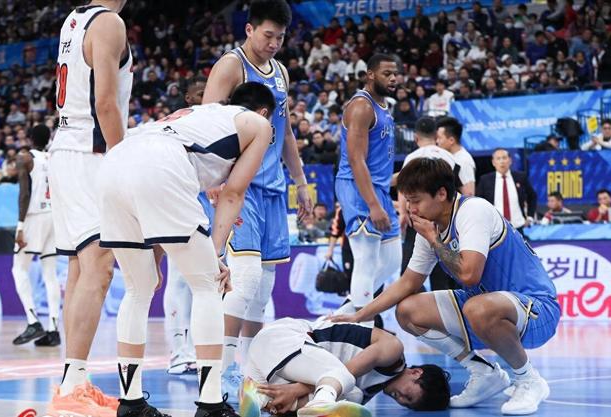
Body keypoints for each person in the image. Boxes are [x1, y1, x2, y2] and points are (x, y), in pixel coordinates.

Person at [97, 83, 276, 417]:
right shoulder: (259, 125)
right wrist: (216, 253)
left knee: (138, 289)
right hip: (162, 164)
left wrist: (159, 254)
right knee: (208, 283)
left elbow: (151, 188)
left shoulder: (199, 116)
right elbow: (233, 193)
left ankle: (130, 403)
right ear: (265, 112)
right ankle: (210, 404)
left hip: (115, 162)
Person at [332, 158, 560, 416]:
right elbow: (408, 282)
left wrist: (433, 239)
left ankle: (529, 379)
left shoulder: (473, 211)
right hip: (485, 307)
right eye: (407, 201)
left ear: (441, 193)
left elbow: (469, 275)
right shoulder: (431, 226)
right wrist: (360, 315)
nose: (410, 208)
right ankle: (482, 371)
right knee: (408, 311)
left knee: (478, 308)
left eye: (416, 200)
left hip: (537, 311)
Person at [202, 0, 313, 391]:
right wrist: (213, 178)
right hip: (239, 187)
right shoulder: (230, 66)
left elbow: (287, 132)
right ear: (249, 29)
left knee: (263, 287)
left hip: (274, 187)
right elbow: (207, 123)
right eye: (268, 35)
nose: (274, 44)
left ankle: (250, 369)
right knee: (244, 280)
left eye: (280, 37)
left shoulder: (280, 72)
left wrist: (300, 181)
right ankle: (219, 368)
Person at [47, 1, 133, 414]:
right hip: (90, 153)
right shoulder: (109, 22)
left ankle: (74, 381)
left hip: (65, 149)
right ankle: (71, 389)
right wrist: (123, 162)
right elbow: (106, 104)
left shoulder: (75, 18)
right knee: (99, 266)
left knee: (80, 269)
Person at [239, 316, 450, 416]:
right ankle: (322, 401)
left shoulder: (368, 392)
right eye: (409, 396)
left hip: (266, 364)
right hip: (285, 339)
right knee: (346, 387)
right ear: (416, 372)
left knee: (350, 397)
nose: (401, 399)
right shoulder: (394, 351)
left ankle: (258, 396)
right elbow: (346, 370)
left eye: (406, 404)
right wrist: (296, 390)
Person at [333, 53, 402, 322]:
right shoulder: (361, 106)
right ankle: (361, 328)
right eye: (387, 73)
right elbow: (355, 159)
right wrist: (373, 204)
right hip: (358, 189)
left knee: (393, 259)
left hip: (378, 189)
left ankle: (344, 315)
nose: (394, 78)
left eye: (395, 73)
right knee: (366, 259)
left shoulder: (384, 106)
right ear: (370, 75)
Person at [163, 75, 207, 376]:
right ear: (188, 98)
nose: (208, 96)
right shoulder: (179, 123)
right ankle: (178, 354)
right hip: (177, 202)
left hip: (202, 204)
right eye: (200, 93)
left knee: (199, 282)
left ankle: (191, 352)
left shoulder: (212, 120)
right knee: (179, 279)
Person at [394, 116, 464, 291]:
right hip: (444, 221)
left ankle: (421, 304)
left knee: (409, 273)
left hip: (419, 218)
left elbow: (405, 189)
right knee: (443, 274)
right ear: (436, 136)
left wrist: (403, 213)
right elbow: (460, 189)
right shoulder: (450, 157)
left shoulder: (411, 157)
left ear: (416, 137)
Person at [11, 124, 61, 347]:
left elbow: (24, 194)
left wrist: (20, 226)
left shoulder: (25, 158)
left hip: (33, 217)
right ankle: (53, 329)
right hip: (54, 217)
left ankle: (33, 321)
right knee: (50, 274)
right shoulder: (54, 158)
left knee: (19, 269)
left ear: (30, 138)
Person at [476, 148, 537, 234]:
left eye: (504, 158)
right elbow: (478, 202)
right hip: (495, 228)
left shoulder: (520, 177)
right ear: (493, 162)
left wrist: (530, 217)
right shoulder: (485, 180)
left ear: (510, 160)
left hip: (518, 226)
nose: (502, 161)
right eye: (498, 158)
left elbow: (532, 196)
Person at [435, 117, 476, 196]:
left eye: (439, 138)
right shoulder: (450, 157)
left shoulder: (464, 161)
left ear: (451, 140)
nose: (437, 141)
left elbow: (469, 194)